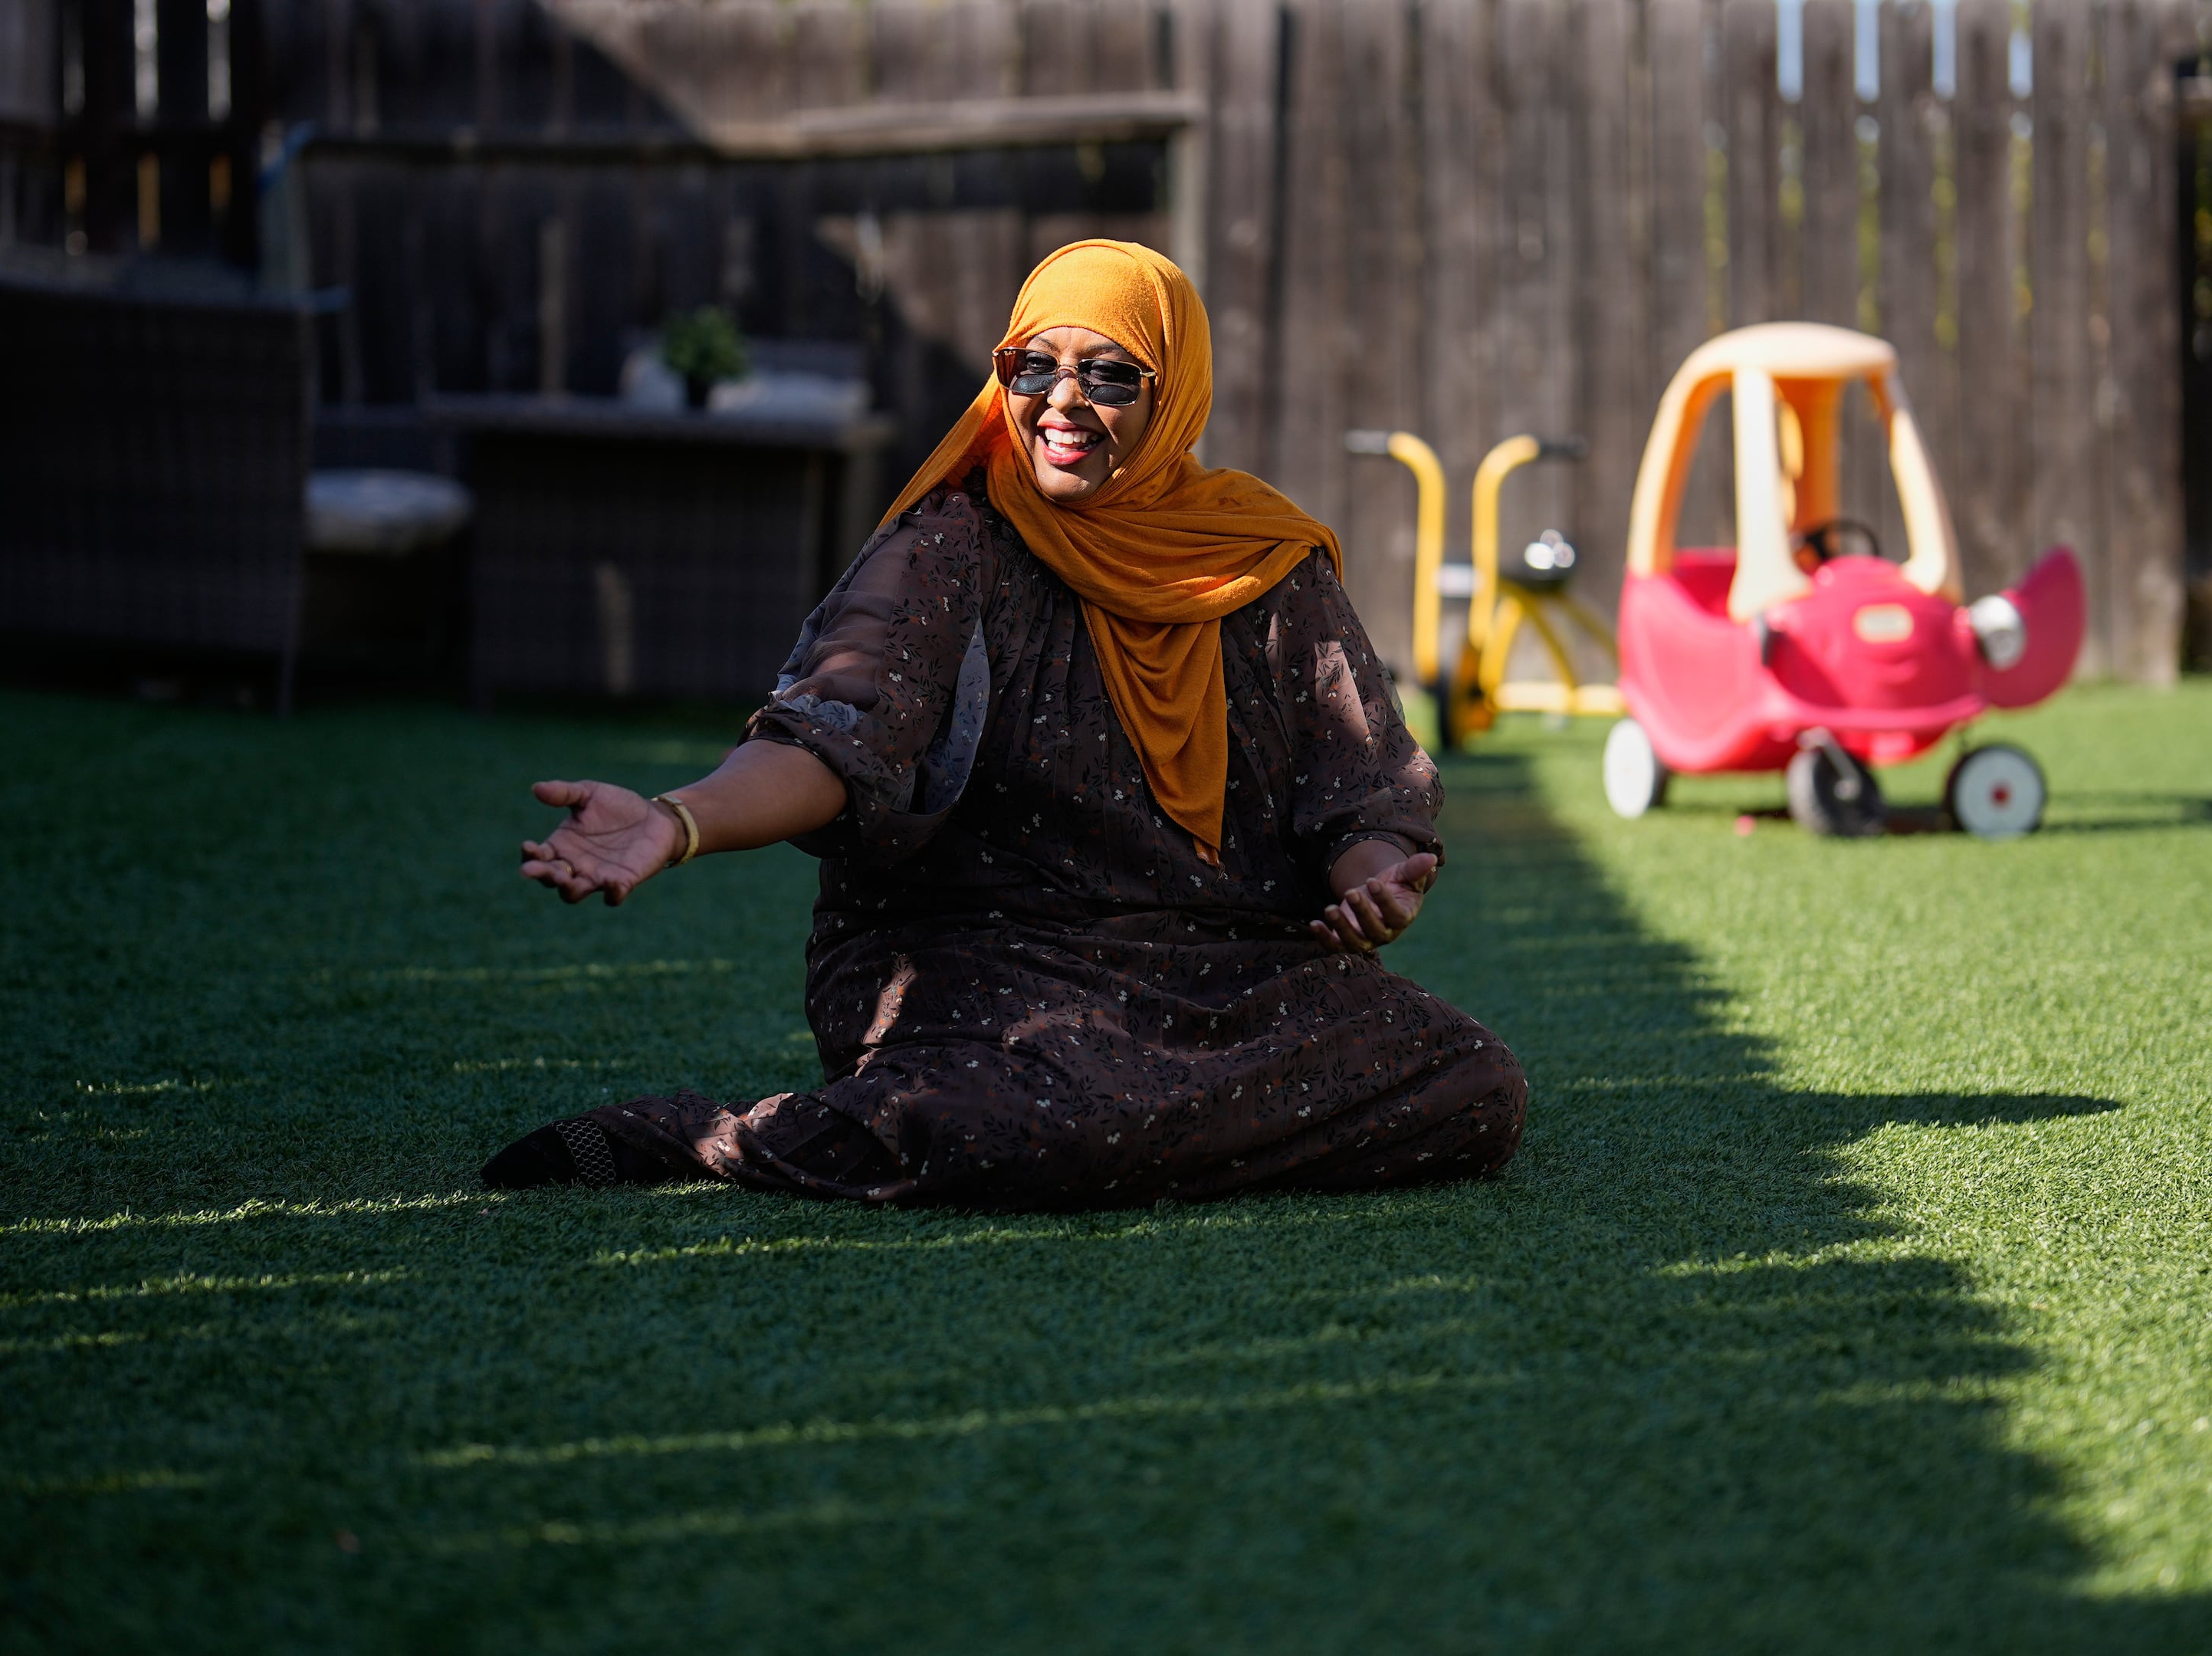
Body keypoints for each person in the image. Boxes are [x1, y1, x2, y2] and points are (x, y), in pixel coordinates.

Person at [494, 240, 1526, 1208]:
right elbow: (834, 735)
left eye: (1110, 373)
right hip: (982, 964)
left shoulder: (1265, 561)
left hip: (1230, 968)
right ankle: (700, 1136)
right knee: (1041, 1118)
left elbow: (1364, 788)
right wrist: (676, 823)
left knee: (1473, 1083)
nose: (1061, 401)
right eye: (1031, 366)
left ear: (1175, 392)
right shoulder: (952, 546)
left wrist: (1370, 881)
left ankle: (1136, 1131)